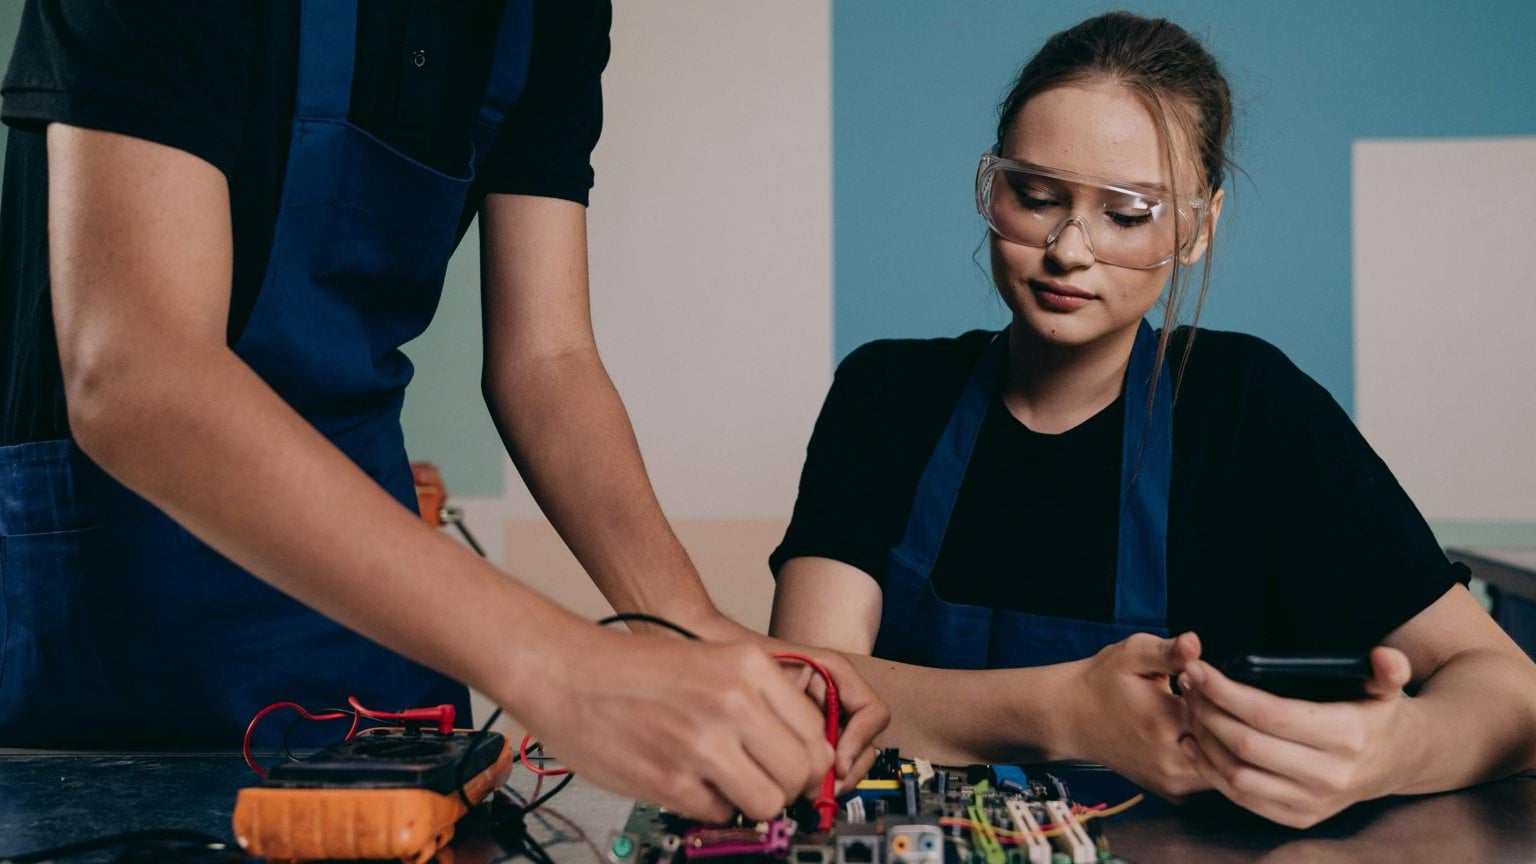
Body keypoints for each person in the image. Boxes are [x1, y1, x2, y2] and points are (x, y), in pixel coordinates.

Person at [0, 0, 885, 822]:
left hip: (376, 615)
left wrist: (692, 631)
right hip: (110, 624)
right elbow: (137, 374)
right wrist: (567, 668)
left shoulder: (554, 14)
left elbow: (548, 361)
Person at [768, 11, 1536, 829]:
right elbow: (810, 692)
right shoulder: (887, 394)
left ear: (1197, 228)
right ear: (991, 188)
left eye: (1127, 214)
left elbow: (1510, 687)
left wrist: (1394, 748)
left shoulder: (1250, 409)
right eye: (1035, 196)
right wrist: (1063, 709)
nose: (1070, 248)